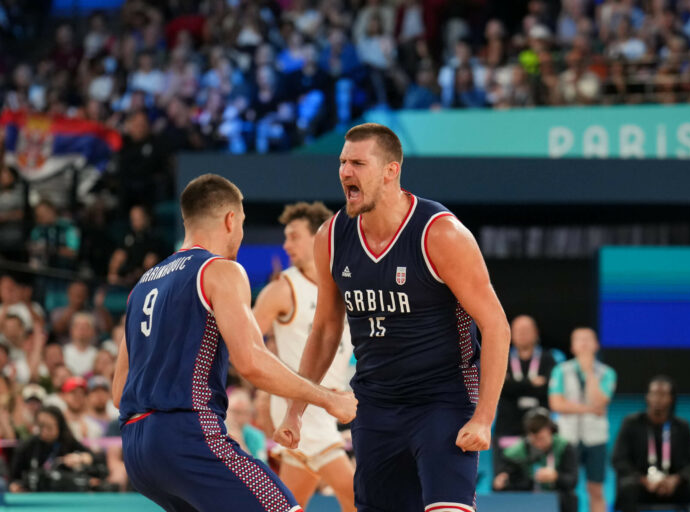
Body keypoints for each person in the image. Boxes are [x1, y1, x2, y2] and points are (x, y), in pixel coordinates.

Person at [274, 123, 511, 512]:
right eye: (342, 162)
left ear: (391, 171)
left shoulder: (440, 233)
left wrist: (484, 417)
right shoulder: (331, 237)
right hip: (376, 406)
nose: (346, 172)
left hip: (442, 401)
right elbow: (325, 330)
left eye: (358, 163)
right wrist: (296, 409)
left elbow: (495, 325)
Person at [113, 173, 356, 512]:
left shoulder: (142, 286)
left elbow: (118, 389)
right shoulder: (220, 270)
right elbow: (251, 361)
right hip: (188, 436)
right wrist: (328, 399)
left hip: (138, 451)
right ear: (231, 220)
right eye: (241, 223)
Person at [252, 201, 355, 512]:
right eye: (286, 236)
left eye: (294, 236)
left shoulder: (344, 285)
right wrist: (264, 391)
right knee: (355, 493)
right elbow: (245, 343)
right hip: (299, 405)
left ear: (318, 237)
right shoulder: (282, 289)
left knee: (292, 502)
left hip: (330, 404)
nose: (286, 244)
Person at [612, 376, 690, 512]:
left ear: (671, 398)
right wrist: (643, 480)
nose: (658, 399)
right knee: (627, 488)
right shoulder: (631, 423)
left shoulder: (682, 426)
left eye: (663, 394)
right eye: (654, 394)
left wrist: (676, 480)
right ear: (647, 397)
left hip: (674, 485)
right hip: (642, 484)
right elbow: (618, 460)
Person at [549, 327, 616, 512]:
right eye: (579, 339)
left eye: (588, 339)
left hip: (596, 438)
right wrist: (589, 409)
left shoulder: (607, 373)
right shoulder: (560, 371)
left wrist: (588, 372)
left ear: (597, 345)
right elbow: (556, 404)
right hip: (567, 438)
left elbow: (599, 401)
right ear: (572, 346)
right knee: (566, 487)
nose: (584, 343)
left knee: (595, 489)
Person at [494, 315, 557, 474]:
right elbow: (499, 386)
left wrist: (513, 384)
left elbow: (548, 388)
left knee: (540, 479)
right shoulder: (501, 356)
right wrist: (530, 383)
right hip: (508, 428)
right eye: (518, 330)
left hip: (540, 430)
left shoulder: (548, 359)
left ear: (536, 333)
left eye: (526, 330)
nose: (522, 334)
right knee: (504, 478)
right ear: (510, 333)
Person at [493, 407, 578, 512]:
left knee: (570, 497)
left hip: (558, 499)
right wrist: (500, 482)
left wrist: (556, 476)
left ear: (550, 431)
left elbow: (573, 481)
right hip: (527, 501)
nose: (538, 444)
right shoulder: (515, 453)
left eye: (542, 438)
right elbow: (501, 484)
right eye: (534, 439)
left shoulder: (564, 447)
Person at [9, 405, 98, 493]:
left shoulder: (67, 442)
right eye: (41, 426)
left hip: (65, 494)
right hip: (34, 494)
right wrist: (16, 485)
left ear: (59, 425)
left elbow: (96, 458)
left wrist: (80, 458)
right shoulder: (28, 446)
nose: (44, 430)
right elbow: (14, 477)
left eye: (49, 427)